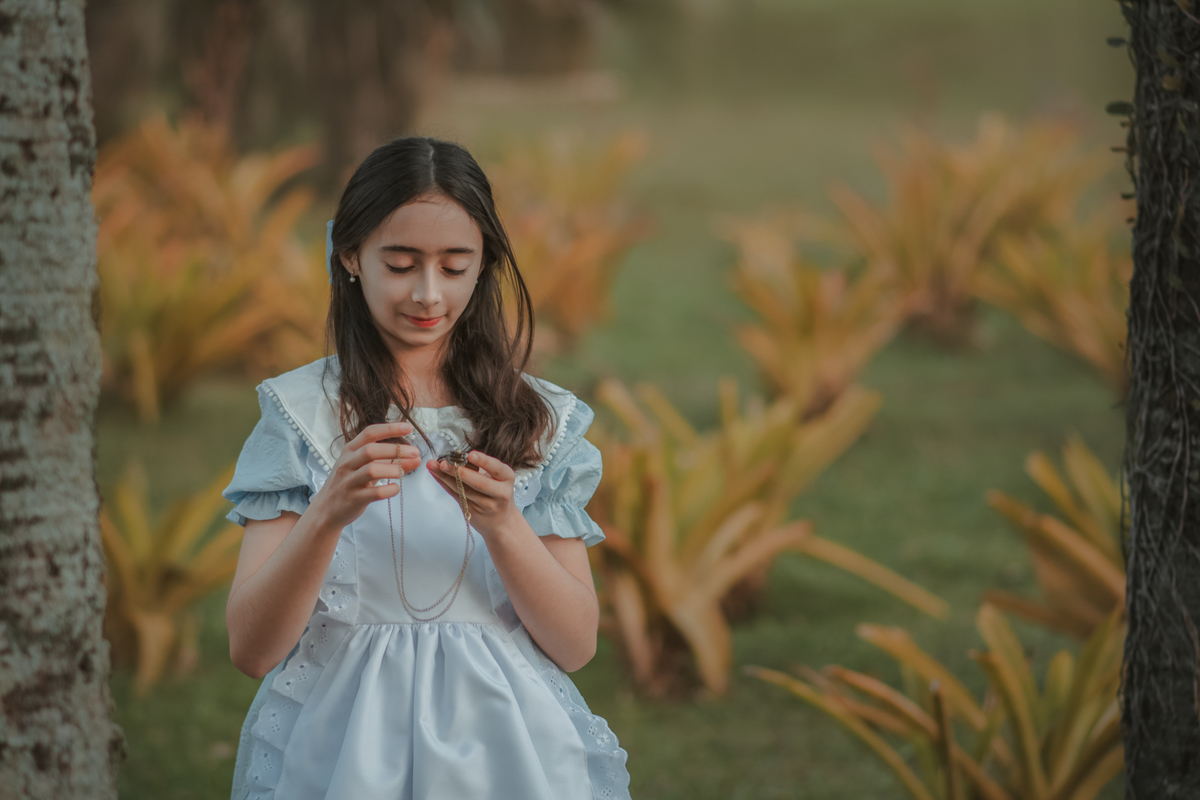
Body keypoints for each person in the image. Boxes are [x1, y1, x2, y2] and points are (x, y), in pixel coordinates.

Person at [221, 136, 632, 800]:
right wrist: (327, 512)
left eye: (454, 265)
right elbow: (252, 649)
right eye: (402, 262)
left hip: (508, 748)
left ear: (485, 265)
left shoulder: (538, 421)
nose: (427, 293)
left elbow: (576, 645)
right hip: (342, 746)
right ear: (351, 256)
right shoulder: (301, 417)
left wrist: (504, 524)